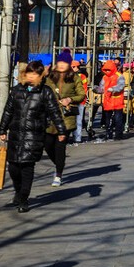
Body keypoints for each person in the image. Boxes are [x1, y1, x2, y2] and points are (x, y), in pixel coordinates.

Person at [0, 61, 66, 212]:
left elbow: (55, 112)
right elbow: (8, 111)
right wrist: (2, 129)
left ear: (41, 76)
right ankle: (18, 191)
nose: (31, 76)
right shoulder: (16, 90)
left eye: (35, 74)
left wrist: (61, 131)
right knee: (13, 169)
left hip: (34, 136)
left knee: (27, 168)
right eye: (29, 73)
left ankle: (23, 199)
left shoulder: (45, 92)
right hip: (16, 135)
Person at [44, 51, 85, 186]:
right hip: (50, 116)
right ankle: (59, 164)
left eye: (65, 63)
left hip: (66, 117)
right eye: (60, 62)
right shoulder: (50, 77)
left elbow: (81, 95)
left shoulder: (75, 78)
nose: (61, 65)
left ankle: (58, 174)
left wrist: (70, 99)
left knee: (60, 146)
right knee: (48, 144)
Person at [99, 60, 126, 140]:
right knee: (107, 120)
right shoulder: (104, 77)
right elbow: (102, 87)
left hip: (117, 101)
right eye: (105, 70)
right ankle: (108, 134)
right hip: (108, 101)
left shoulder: (119, 76)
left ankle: (118, 135)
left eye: (108, 70)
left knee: (118, 120)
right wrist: (97, 89)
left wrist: (113, 89)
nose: (107, 71)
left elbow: (121, 86)